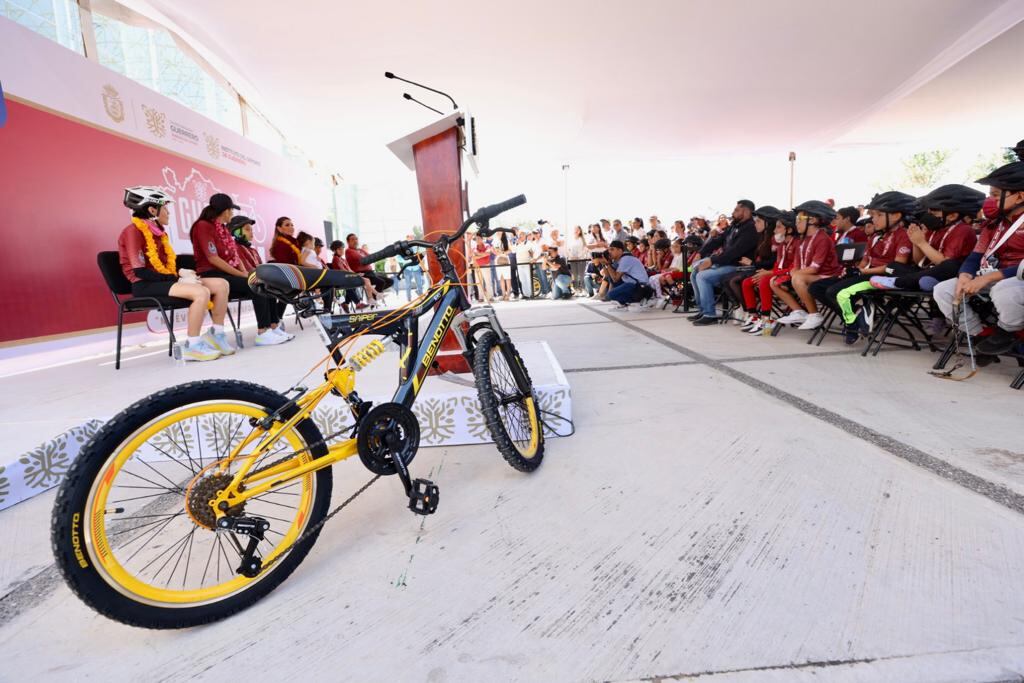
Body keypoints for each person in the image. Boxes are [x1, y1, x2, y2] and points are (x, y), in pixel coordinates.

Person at [119, 186, 229, 362]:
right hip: (144, 285)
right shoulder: (133, 231)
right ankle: (192, 345)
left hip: (160, 280)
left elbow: (163, 266)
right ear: (152, 210)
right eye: (165, 208)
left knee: (222, 285)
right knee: (201, 292)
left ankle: (216, 334)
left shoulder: (159, 233)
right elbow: (140, 270)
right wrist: (176, 279)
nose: (169, 213)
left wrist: (180, 273)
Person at [933, 161, 1024, 356]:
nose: (988, 201)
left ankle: (1009, 332)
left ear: (1020, 196)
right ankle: (981, 335)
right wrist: (965, 275)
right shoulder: (993, 224)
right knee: (944, 290)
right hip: (992, 277)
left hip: (1016, 281)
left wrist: (988, 278)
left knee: (1005, 291)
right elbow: (975, 256)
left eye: (995, 195)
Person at [190, 194, 292, 347]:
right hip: (212, 274)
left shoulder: (223, 228)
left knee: (265, 282)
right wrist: (242, 275)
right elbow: (213, 259)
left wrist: (245, 273)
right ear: (225, 211)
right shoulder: (203, 225)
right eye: (231, 210)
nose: (232, 213)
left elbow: (234, 256)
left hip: (228, 275)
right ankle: (262, 333)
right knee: (256, 284)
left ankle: (273, 327)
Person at [826, 191, 918, 343]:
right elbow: (865, 260)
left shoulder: (904, 235)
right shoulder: (877, 236)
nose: (873, 219)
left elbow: (896, 266)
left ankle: (852, 324)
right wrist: (856, 270)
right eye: (873, 215)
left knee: (837, 292)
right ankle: (859, 312)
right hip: (869, 273)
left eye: (878, 215)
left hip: (885, 277)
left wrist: (862, 271)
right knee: (821, 287)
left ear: (895, 216)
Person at [773, 200, 843, 329]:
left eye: (800, 218)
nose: (796, 223)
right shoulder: (802, 238)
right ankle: (798, 311)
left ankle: (814, 314)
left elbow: (815, 268)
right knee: (774, 281)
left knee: (798, 278)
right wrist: (792, 273)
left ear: (813, 220)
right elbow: (797, 265)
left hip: (827, 276)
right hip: (809, 274)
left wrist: (795, 275)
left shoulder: (822, 238)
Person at [689, 199, 758, 325]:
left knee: (702, 276)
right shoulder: (734, 225)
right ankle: (703, 309)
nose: (733, 212)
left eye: (737, 210)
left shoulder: (750, 229)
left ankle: (710, 314)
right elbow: (718, 240)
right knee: (695, 270)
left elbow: (735, 251)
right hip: (725, 262)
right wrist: (701, 252)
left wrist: (712, 260)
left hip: (736, 266)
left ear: (746, 211)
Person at [741, 210, 800, 335]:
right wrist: (769, 271)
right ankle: (754, 316)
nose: (774, 231)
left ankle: (767, 321)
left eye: (778, 227)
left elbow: (794, 268)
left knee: (764, 281)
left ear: (789, 230)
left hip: (791, 276)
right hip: (779, 274)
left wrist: (769, 274)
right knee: (747, 282)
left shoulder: (797, 243)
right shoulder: (782, 245)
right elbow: (777, 265)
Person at [599, 240, 650, 311]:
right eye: (609, 250)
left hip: (640, 287)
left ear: (620, 250)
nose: (609, 252)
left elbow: (615, 278)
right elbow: (608, 275)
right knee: (611, 281)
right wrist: (604, 263)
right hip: (632, 284)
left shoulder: (625, 259)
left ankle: (637, 301)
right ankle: (623, 303)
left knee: (611, 295)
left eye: (612, 249)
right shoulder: (619, 260)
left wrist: (608, 264)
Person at [329, 239, 372, 310]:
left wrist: (356, 274)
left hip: (346, 278)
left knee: (360, 282)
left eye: (342, 249)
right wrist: (355, 275)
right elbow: (343, 271)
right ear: (334, 250)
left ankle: (346, 303)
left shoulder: (343, 259)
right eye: (339, 249)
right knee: (351, 285)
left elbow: (349, 270)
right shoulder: (336, 259)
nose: (342, 250)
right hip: (341, 280)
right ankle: (358, 303)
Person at [397, 234, 426, 302]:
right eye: (410, 237)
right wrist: (408, 259)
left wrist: (420, 257)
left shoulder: (417, 246)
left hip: (416, 268)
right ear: (407, 238)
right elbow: (398, 258)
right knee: (408, 285)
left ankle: (421, 298)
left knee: (420, 284)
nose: (411, 238)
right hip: (407, 269)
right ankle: (409, 300)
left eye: (412, 237)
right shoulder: (403, 248)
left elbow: (424, 252)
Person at [470, 233, 494, 303]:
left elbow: (488, 253)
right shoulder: (474, 247)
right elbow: (474, 256)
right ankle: (481, 297)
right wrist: (483, 254)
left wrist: (479, 255)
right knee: (478, 282)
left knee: (488, 281)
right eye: (476, 239)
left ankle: (490, 297)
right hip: (477, 266)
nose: (477, 240)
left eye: (478, 238)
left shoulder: (487, 245)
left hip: (486, 265)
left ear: (482, 239)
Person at [565, 225, 589, 289]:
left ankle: (584, 289)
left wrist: (578, 256)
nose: (576, 231)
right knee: (575, 275)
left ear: (580, 231)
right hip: (572, 260)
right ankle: (576, 290)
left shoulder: (582, 239)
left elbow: (585, 249)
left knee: (581, 275)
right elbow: (568, 249)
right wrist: (571, 256)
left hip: (581, 259)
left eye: (578, 229)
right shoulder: (570, 239)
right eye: (575, 229)